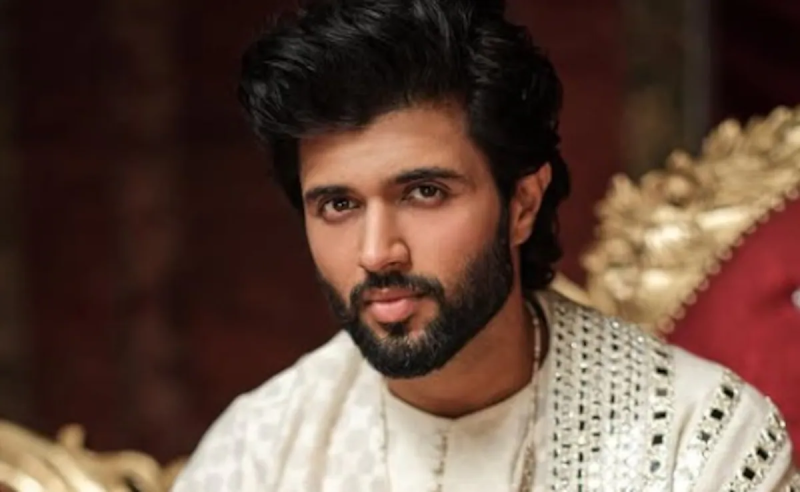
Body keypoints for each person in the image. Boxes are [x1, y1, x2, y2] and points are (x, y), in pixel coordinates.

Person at [171, 0, 799, 490]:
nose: (377, 252)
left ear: (522, 204)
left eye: (424, 193)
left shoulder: (698, 438)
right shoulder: (258, 451)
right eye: (339, 205)